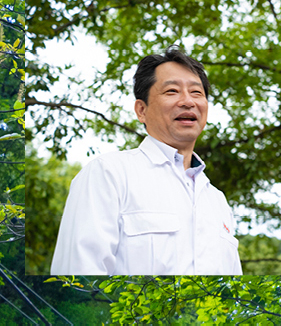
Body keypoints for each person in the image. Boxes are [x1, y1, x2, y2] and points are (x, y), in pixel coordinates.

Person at [51, 47, 241, 275]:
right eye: (172, 91)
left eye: (196, 92)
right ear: (141, 110)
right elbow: (78, 277)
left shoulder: (217, 201)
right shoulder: (109, 174)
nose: (188, 101)